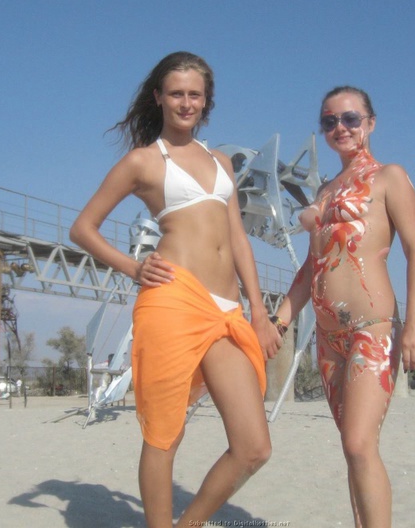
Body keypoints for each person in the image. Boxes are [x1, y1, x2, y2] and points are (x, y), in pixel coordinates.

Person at [70, 51, 282, 527]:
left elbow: (238, 239)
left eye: (195, 95)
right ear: (159, 98)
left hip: (227, 310)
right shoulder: (143, 161)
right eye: (176, 93)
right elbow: (83, 228)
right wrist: (133, 266)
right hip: (174, 298)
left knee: (253, 447)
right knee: (165, 434)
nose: (186, 103)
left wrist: (259, 310)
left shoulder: (220, 161)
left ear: (206, 101)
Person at [272, 86, 415, 528]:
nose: (339, 128)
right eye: (329, 121)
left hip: (371, 326)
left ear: (370, 123)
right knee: (352, 447)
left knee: (360, 444)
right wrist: (279, 320)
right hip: (329, 337)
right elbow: (312, 266)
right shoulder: (324, 190)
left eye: (350, 119)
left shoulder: (389, 177)